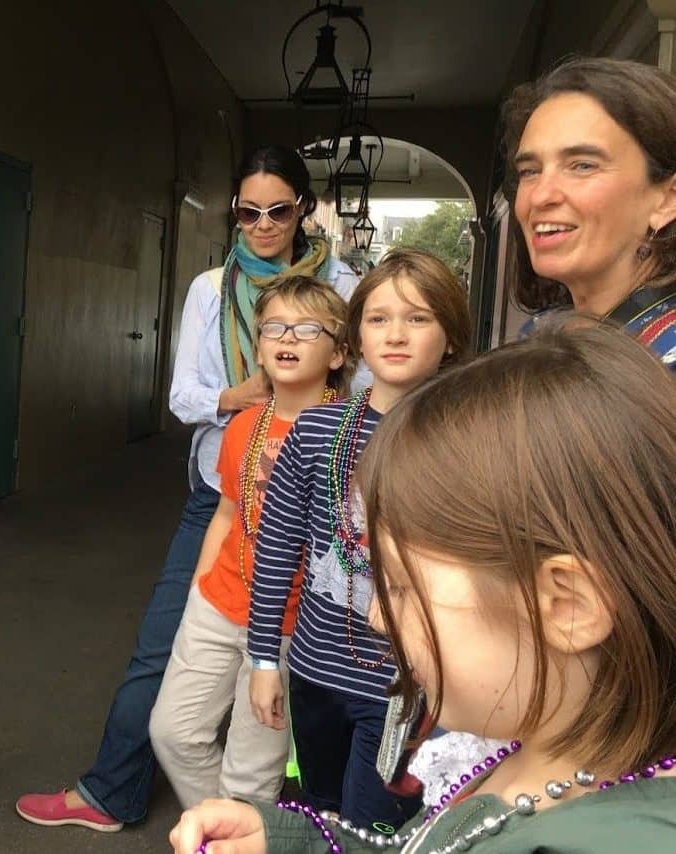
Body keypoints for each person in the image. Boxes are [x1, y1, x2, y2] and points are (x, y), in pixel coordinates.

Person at [170, 322, 676, 853]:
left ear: (567, 607)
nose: (378, 618)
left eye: (405, 589)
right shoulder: (541, 749)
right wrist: (295, 842)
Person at [16, 146, 361, 833]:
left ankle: (273, 818)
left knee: (290, 672)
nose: (262, 224)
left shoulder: (346, 286)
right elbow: (181, 397)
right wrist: (245, 395)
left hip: (316, 509)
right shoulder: (212, 287)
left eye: (278, 209)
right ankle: (115, 790)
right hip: (223, 492)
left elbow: (368, 386)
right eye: (247, 210)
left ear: (304, 209)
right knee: (164, 646)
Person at [247, 249, 472, 829]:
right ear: (357, 337)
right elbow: (277, 547)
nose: (396, 334)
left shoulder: (468, 440)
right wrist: (264, 659)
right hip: (316, 674)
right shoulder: (318, 430)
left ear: (449, 336)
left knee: (372, 827)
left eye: (418, 318)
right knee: (319, 816)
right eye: (378, 319)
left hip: (406, 686)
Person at [149, 276, 352, 809]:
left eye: (308, 328)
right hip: (217, 603)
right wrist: (199, 587)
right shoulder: (244, 425)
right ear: (257, 344)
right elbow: (226, 512)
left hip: (289, 625)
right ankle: (230, 831)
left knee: (250, 773)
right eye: (274, 327)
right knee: (174, 732)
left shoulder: (348, 436)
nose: (288, 337)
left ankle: (234, 829)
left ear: (339, 353)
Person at [503, 56, 676, 369]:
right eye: (530, 171)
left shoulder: (664, 364)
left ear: (667, 201)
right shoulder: (539, 335)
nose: (541, 195)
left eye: (582, 165)